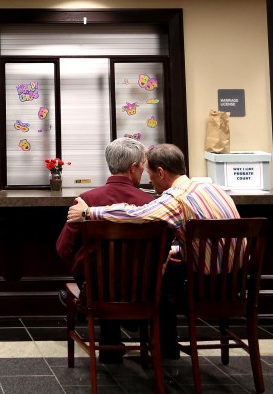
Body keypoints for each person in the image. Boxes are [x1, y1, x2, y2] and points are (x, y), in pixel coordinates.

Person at [66, 143, 240, 358]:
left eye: (149, 173)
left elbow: (136, 215)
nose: (148, 180)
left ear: (160, 172)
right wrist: (177, 253)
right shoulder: (212, 188)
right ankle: (160, 343)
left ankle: (161, 345)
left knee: (159, 287)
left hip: (201, 289)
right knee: (164, 267)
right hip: (236, 285)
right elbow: (208, 244)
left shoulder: (174, 199)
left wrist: (88, 212)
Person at [55, 137, 156, 362]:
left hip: (97, 289)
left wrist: (85, 266)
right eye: (142, 166)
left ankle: (101, 327)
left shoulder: (86, 201)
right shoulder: (149, 203)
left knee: (101, 279)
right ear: (133, 168)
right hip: (141, 290)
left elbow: (63, 248)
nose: (144, 172)